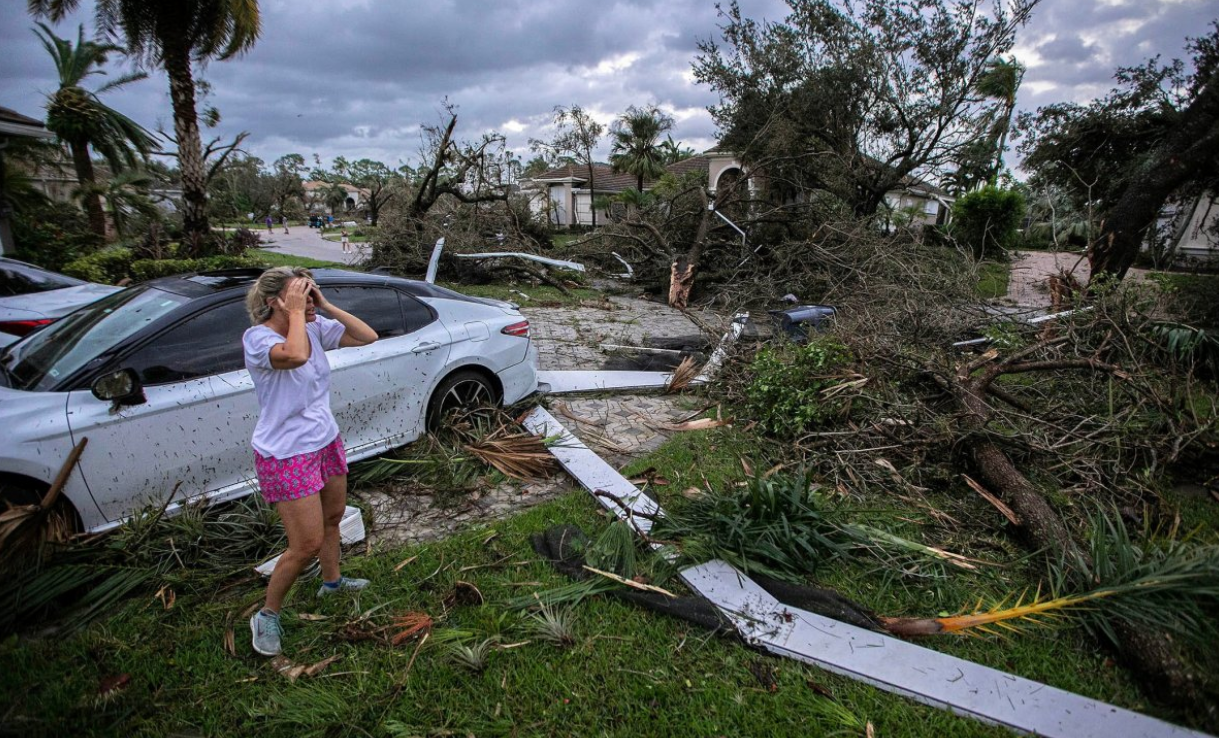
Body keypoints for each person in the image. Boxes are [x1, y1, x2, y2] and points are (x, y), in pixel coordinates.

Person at [243, 267, 378, 656]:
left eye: (309, 291)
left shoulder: (315, 327)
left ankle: (332, 582)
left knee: (334, 518)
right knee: (305, 544)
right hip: (287, 453)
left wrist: (324, 304)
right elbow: (296, 355)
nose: (308, 297)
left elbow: (367, 335)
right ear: (274, 302)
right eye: (299, 293)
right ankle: (267, 615)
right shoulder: (258, 339)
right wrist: (300, 314)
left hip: (324, 440)